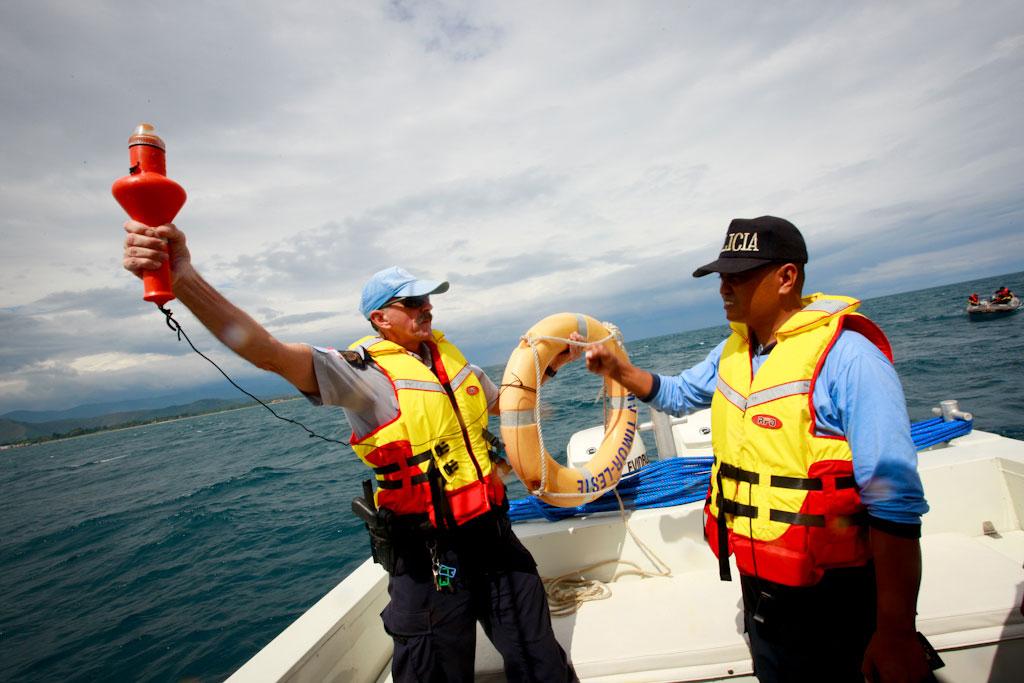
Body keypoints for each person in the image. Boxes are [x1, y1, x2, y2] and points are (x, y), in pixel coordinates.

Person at [122, 220, 578, 683]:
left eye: (427, 300)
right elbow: (268, 352)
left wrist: (553, 360)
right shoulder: (361, 377)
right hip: (429, 555)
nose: (427, 309)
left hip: (493, 535)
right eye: (412, 302)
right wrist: (185, 280)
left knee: (541, 657)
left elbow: (508, 404)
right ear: (380, 318)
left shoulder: (461, 366)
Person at [583, 216, 933, 683]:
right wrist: (617, 368)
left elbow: (894, 504)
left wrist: (894, 632)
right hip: (762, 587)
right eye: (721, 277)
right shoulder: (734, 350)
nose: (724, 287)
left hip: (834, 595)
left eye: (739, 276)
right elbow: (676, 393)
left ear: (786, 277)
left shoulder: (850, 359)